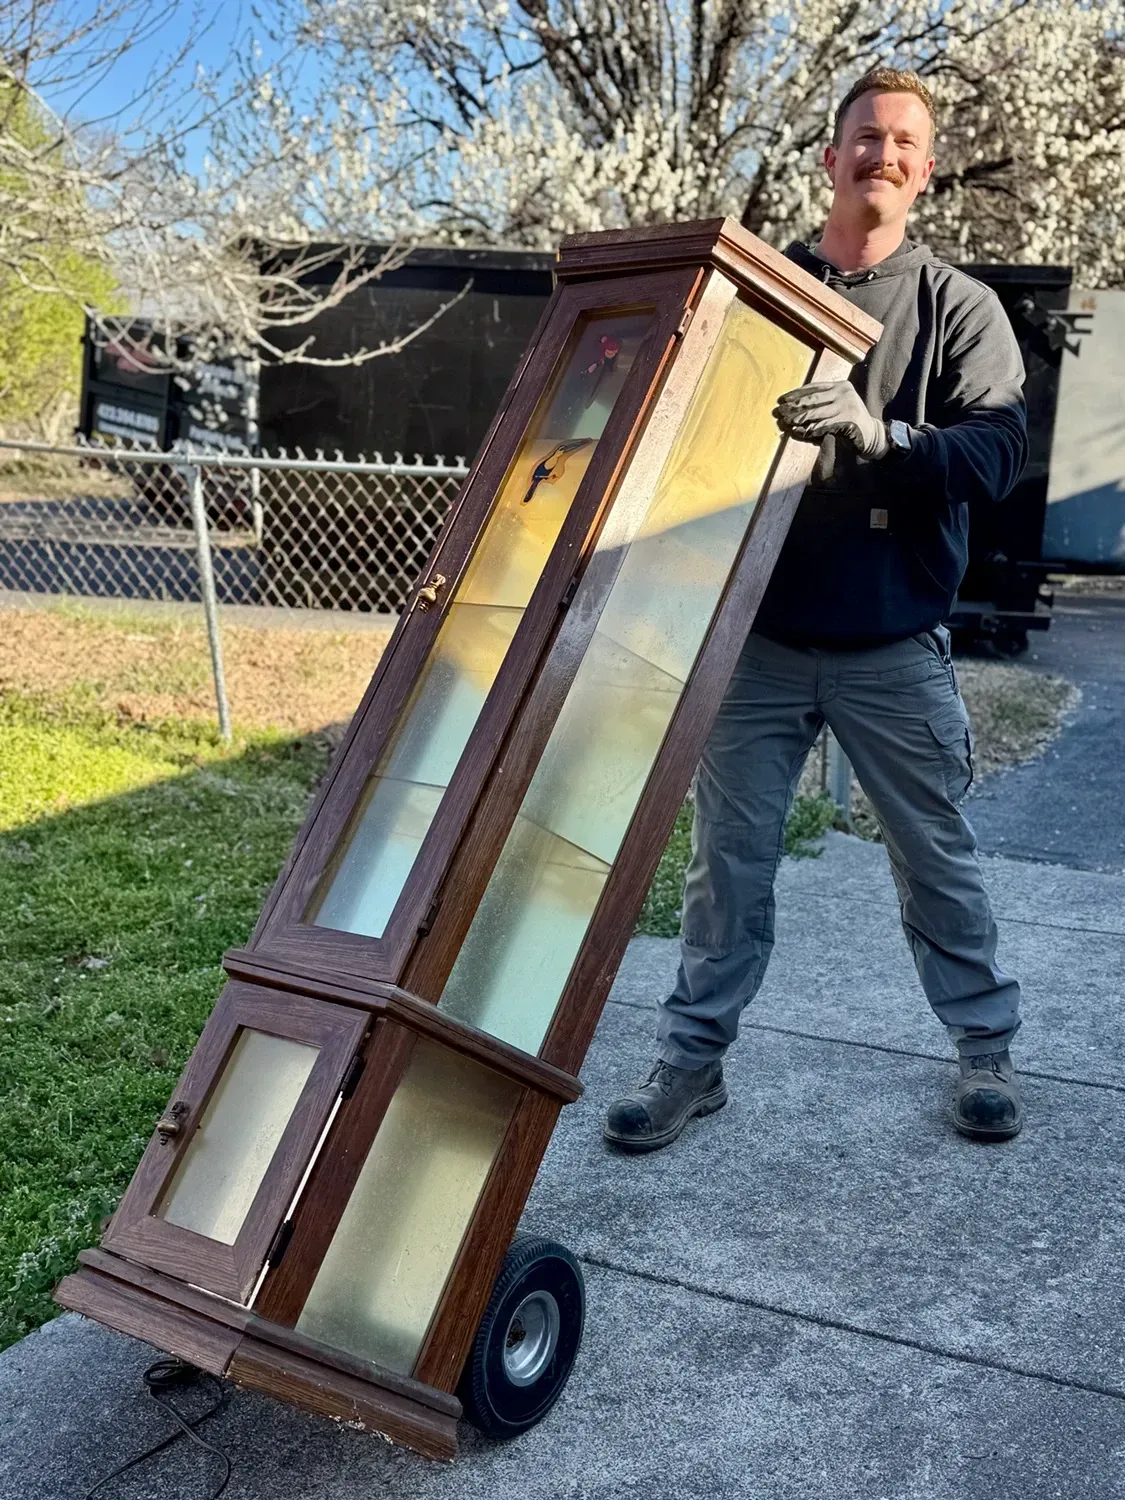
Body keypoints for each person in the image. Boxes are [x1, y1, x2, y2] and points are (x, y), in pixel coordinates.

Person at [604, 67, 1028, 1152]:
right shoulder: (765, 294)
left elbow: (995, 453)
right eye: (866, 138)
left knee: (933, 852)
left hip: (893, 644)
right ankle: (693, 1064)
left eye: (903, 144)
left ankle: (984, 1052)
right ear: (831, 157)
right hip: (759, 645)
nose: (883, 155)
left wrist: (880, 434)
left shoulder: (958, 310)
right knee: (726, 865)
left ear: (925, 173)